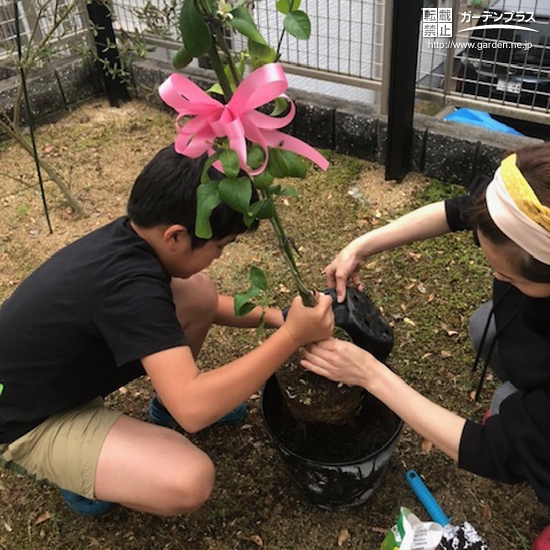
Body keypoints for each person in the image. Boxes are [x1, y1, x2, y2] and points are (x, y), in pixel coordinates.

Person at [0, 145, 334, 517]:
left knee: (198, 293)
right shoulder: (129, 289)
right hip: (25, 421)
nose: (219, 256)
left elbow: (205, 304)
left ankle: (162, 409)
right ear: (175, 236)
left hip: (51, 381)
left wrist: (280, 318)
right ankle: (77, 477)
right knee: (189, 479)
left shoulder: (132, 241)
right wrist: (291, 337)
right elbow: (193, 409)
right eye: (220, 246)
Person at [300, 143, 550, 550]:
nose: (498, 279)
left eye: (507, 276)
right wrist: (361, 246)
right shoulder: (530, 197)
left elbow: (490, 452)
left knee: (513, 415)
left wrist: (369, 373)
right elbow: (459, 211)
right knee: (484, 326)